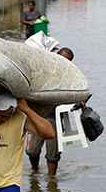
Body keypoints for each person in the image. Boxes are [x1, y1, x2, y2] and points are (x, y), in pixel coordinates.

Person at [26, 48, 74, 176]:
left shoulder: (70, 77)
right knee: (32, 151)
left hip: (56, 118)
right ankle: (35, 172)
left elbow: (77, 93)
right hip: (39, 116)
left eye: (67, 61)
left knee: (53, 154)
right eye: (62, 59)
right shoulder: (45, 71)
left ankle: (52, 179)